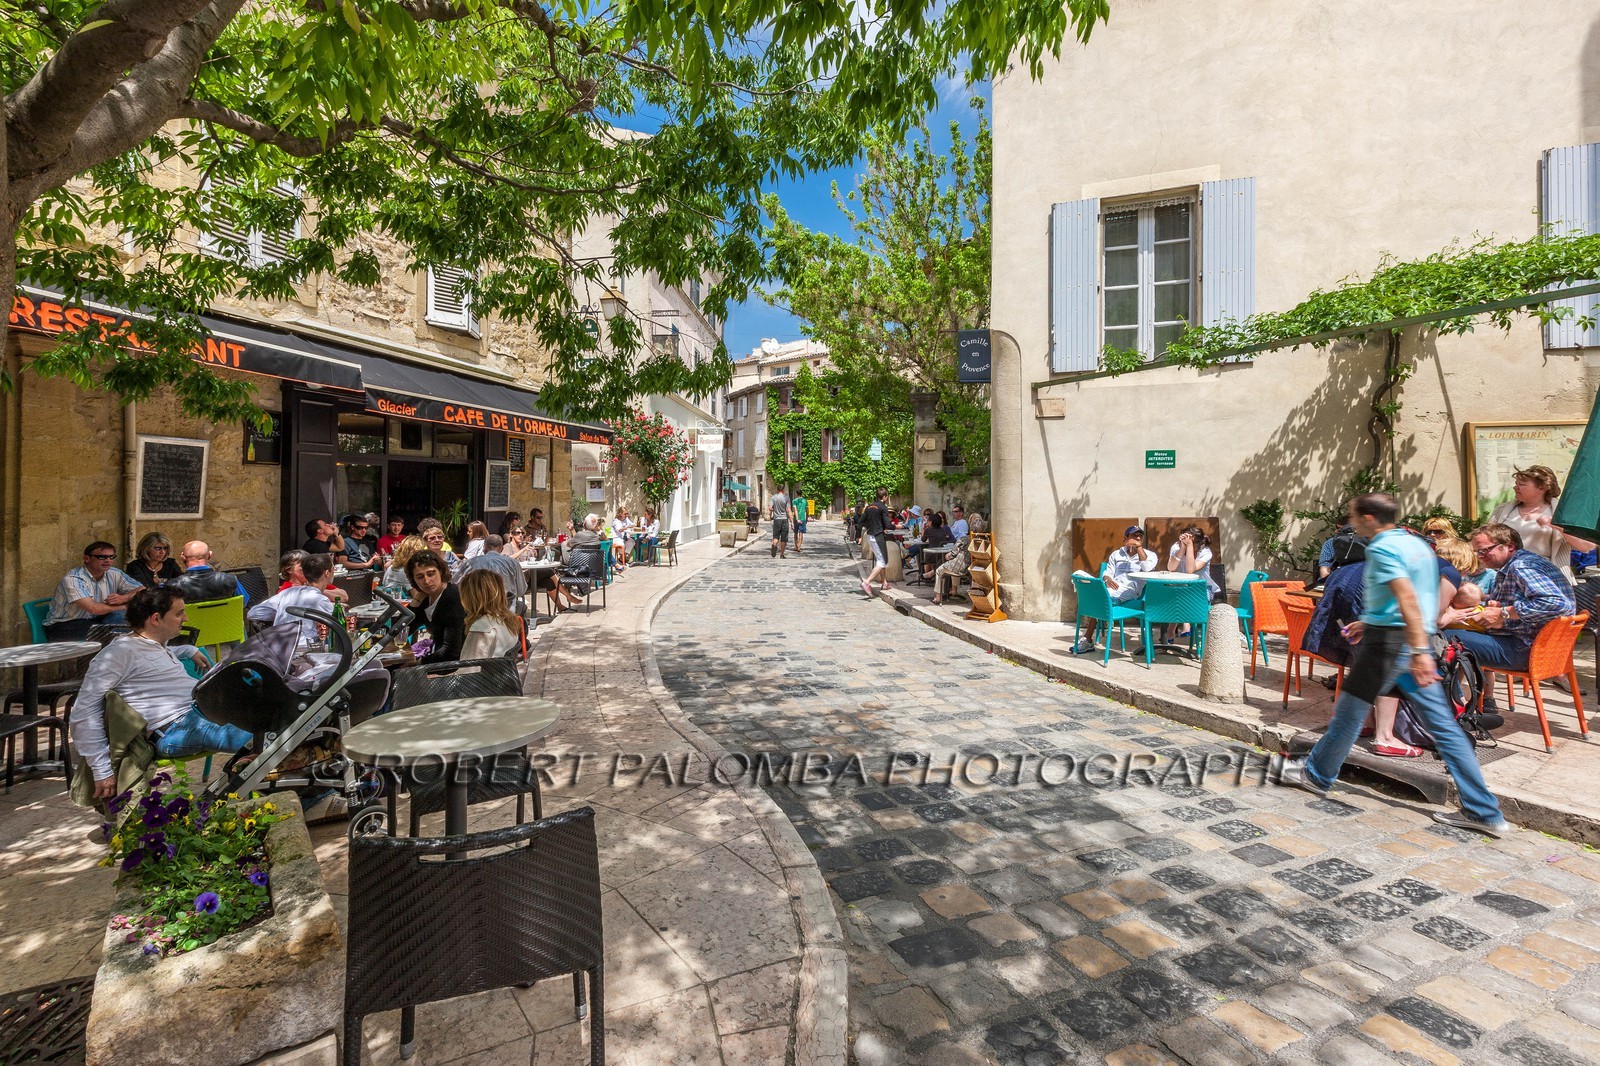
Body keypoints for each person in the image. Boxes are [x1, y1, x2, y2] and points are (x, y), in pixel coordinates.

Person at [1278, 493, 1509, 838]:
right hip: (1408, 639)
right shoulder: (1418, 546)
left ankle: (1316, 775)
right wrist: (1370, 622)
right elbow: (1412, 598)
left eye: (1355, 518)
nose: (1352, 524)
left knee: (1348, 717)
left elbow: (1407, 598)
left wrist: (1415, 651)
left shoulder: (1383, 548)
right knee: (1442, 728)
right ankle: (1484, 811)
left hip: (1389, 647)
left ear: (1369, 518)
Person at [73, 586, 252, 800]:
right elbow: (84, 711)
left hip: (201, 713)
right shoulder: (118, 654)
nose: (185, 618)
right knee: (264, 738)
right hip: (174, 728)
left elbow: (150, 658)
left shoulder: (154, 644)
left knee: (276, 716)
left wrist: (188, 650)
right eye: (179, 613)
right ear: (156, 619)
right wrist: (101, 770)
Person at [1440, 523, 1575, 673]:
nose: (1479, 556)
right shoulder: (1525, 562)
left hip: (1526, 651)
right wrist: (1497, 608)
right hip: (1541, 649)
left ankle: (1442, 688)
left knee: (1437, 637)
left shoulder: (1521, 566)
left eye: (1484, 550)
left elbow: (1557, 604)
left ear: (1509, 546)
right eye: (1476, 551)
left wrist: (1503, 612)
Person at [1489, 465, 1594, 581]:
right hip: (1506, 575)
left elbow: (1587, 546)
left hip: (1547, 577)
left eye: (1522, 484)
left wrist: (1557, 525)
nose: (1515, 487)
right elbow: (1486, 539)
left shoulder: (1562, 513)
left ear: (1542, 488)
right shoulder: (1502, 510)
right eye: (1516, 483)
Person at [1074, 525, 1157, 654]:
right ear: (1126, 539)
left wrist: (1139, 548)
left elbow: (1147, 568)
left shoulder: (1150, 555)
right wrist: (1107, 579)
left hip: (1132, 590)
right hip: (1114, 587)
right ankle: (1088, 638)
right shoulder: (1116, 554)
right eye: (1134, 535)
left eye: (1140, 536)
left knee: (1100, 598)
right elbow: (1108, 572)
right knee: (1082, 577)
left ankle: (1088, 639)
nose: (1138, 538)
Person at [45, 542, 145, 640]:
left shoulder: (115, 573)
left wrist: (124, 598)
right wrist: (124, 606)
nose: (108, 560)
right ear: (86, 558)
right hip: (64, 625)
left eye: (111, 557)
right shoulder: (73, 579)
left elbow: (142, 590)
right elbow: (94, 608)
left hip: (96, 619)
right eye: (102, 557)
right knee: (114, 629)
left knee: (127, 619)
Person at [249, 553, 337, 647]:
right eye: (333, 568)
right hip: (304, 648)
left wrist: (282, 611)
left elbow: (253, 613)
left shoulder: (287, 593)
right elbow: (337, 630)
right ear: (327, 573)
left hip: (278, 647)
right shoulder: (321, 600)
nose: (334, 571)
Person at [406, 549, 465, 664]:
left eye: (431, 574)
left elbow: (451, 652)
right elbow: (401, 631)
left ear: (441, 572)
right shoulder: (425, 598)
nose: (427, 581)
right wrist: (415, 602)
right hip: (437, 659)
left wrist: (418, 664)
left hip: (455, 666)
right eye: (420, 577)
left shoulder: (452, 598)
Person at [459, 570, 525, 660]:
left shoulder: (482, 626)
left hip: (485, 669)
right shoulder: (507, 618)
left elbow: (470, 666)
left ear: (470, 597)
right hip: (501, 668)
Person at [458, 534, 529, 612]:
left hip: (477, 609)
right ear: (502, 549)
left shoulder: (471, 563)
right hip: (506, 609)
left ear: (484, 547)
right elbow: (521, 590)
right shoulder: (513, 563)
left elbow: (457, 584)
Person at [169, 541, 251, 605]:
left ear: (183, 557)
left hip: (190, 623)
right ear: (209, 555)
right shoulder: (231, 580)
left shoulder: (172, 586)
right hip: (224, 622)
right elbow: (243, 603)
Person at [1167, 525, 1220, 601]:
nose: (1182, 542)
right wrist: (1182, 549)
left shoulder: (1206, 552)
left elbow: (1190, 570)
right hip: (1179, 586)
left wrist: (1189, 545)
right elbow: (1171, 568)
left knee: (1191, 600)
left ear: (1197, 544)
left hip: (1201, 587)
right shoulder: (1176, 547)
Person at [860, 489, 890, 595]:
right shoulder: (883, 507)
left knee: (880, 559)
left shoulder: (869, 507)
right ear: (884, 497)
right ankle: (867, 582)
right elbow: (888, 524)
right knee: (883, 561)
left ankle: (884, 583)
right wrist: (897, 526)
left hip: (870, 536)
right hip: (878, 536)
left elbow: (860, 521)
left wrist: (870, 526)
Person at [932, 532, 970, 606]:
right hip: (968, 567)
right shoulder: (979, 539)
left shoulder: (964, 539)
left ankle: (938, 596)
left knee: (939, 571)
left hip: (958, 566)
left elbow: (952, 554)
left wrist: (947, 556)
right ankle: (954, 590)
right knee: (954, 569)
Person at [770, 487, 791, 559]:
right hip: (784, 519)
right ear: (783, 490)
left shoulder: (773, 497)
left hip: (776, 519)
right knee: (784, 538)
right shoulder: (786, 498)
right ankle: (781, 554)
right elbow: (788, 510)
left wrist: (774, 510)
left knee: (776, 536)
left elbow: (770, 508)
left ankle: (774, 544)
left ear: (777, 490)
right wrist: (792, 521)